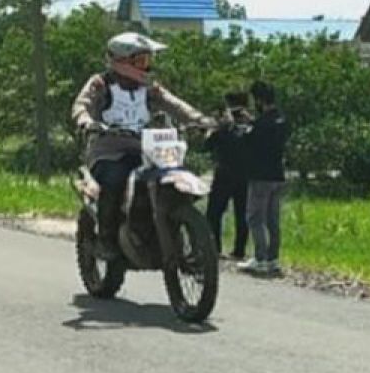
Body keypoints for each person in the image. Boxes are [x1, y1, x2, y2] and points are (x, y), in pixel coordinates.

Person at [71, 32, 211, 262]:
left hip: (145, 149)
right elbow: (81, 104)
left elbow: (174, 104)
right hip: (109, 151)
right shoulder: (100, 84)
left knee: (174, 174)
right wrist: (86, 122)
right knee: (114, 181)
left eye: (147, 60)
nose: (146, 66)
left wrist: (200, 120)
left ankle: (178, 234)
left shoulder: (149, 88)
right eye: (140, 61)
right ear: (121, 61)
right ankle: (106, 239)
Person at [239, 81, 289, 276]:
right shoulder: (281, 119)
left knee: (255, 217)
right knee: (272, 219)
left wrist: (245, 126)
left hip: (260, 176)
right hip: (278, 175)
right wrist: (252, 121)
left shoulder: (261, 124)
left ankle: (260, 258)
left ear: (259, 100)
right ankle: (273, 258)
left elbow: (248, 142)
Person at [204, 91, 252, 260]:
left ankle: (215, 247)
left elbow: (207, 145)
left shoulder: (225, 127)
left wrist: (216, 126)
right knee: (242, 213)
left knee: (214, 212)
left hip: (224, 173)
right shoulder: (251, 125)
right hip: (245, 175)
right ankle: (239, 250)